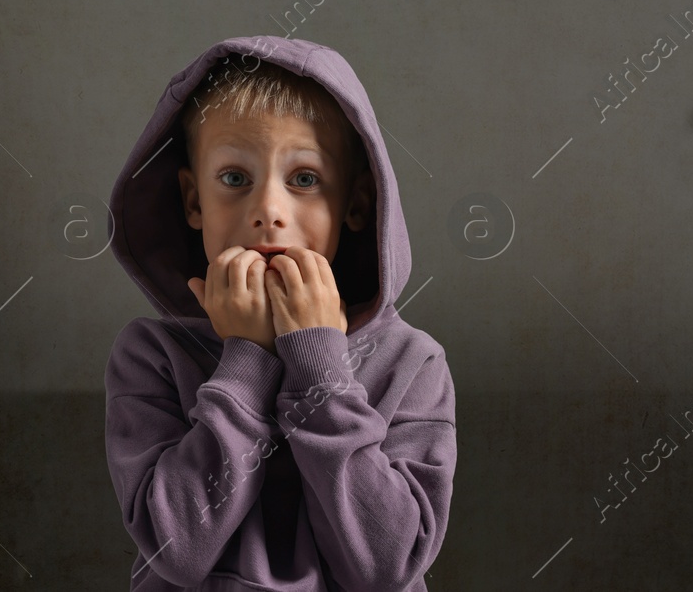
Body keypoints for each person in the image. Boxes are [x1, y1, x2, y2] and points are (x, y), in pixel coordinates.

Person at [104, 35, 454, 590]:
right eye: (235, 179)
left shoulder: (411, 361)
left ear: (357, 205)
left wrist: (319, 367)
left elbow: (388, 567)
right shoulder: (149, 355)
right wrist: (249, 357)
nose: (269, 209)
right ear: (194, 202)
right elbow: (177, 550)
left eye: (305, 180)